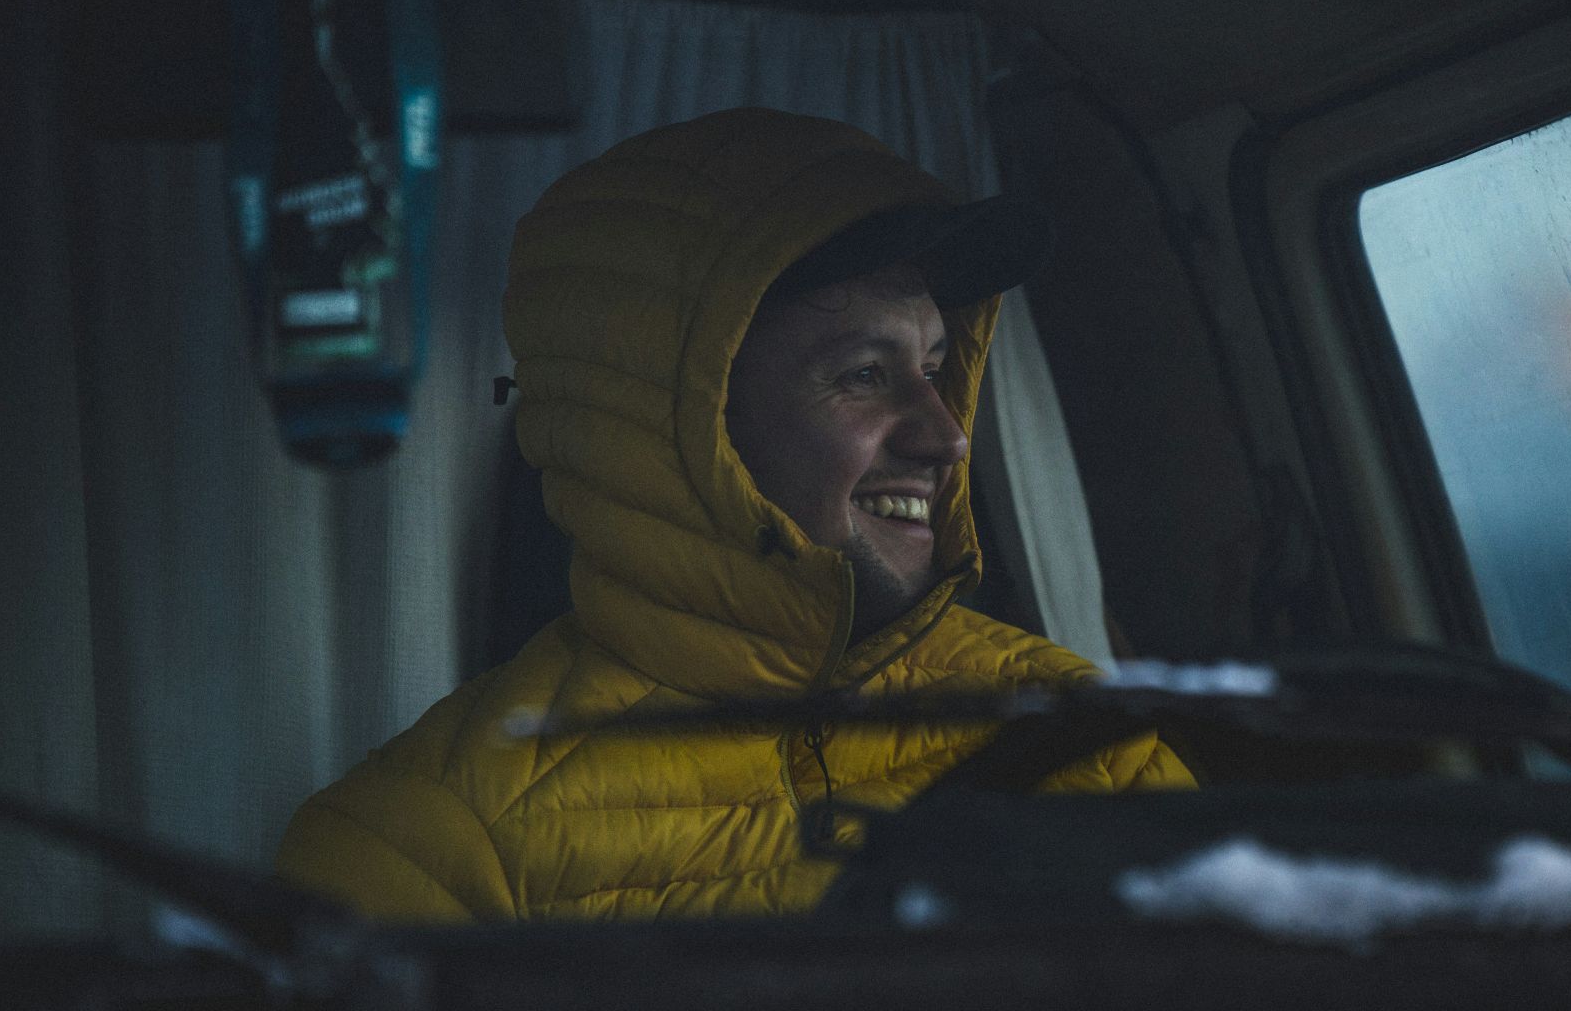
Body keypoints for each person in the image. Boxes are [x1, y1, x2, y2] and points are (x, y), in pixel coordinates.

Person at [275, 107, 1193, 922]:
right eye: (865, 375)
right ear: (672, 431)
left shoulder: (1086, 736)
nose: (948, 437)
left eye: (936, 367)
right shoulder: (422, 849)